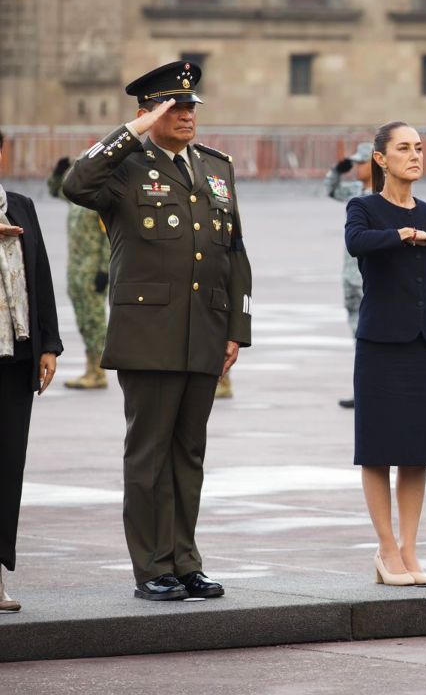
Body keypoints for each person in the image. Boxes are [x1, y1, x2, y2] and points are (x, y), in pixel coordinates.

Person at [63, 60, 252, 600]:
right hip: (149, 331)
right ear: (148, 113)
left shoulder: (216, 168)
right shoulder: (124, 166)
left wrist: (236, 327)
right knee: (148, 452)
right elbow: (78, 183)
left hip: (205, 330)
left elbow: (233, 250)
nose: (188, 115)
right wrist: (131, 134)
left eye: (192, 106)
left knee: (188, 452)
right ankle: (152, 567)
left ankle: (186, 560)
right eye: (176, 107)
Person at [345, 120, 426, 586]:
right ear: (381, 158)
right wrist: (402, 235)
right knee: (378, 451)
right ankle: (386, 550)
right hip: (380, 346)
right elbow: (356, 243)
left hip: (425, 346)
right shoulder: (364, 208)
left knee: (416, 452)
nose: (415, 155)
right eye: (403, 148)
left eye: (419, 148)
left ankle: (410, 549)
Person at [1, 130, 64, 612]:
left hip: (15, 358)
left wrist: (49, 344)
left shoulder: (20, 205)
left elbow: (39, 273)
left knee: (7, 467)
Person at [46, 156, 110, 389]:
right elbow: (56, 191)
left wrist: (105, 270)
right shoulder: (77, 197)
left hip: (93, 270)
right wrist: (57, 172)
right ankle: (90, 368)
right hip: (76, 269)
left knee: (95, 321)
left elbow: (108, 239)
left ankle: (99, 371)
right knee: (83, 320)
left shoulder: (99, 197)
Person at [326, 141, 373, 409]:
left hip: (368, 278)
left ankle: (371, 392)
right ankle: (364, 390)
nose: (356, 168)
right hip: (350, 277)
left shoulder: (383, 195)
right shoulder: (356, 191)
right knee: (358, 337)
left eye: (360, 163)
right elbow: (330, 190)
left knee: (369, 338)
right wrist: (337, 170)